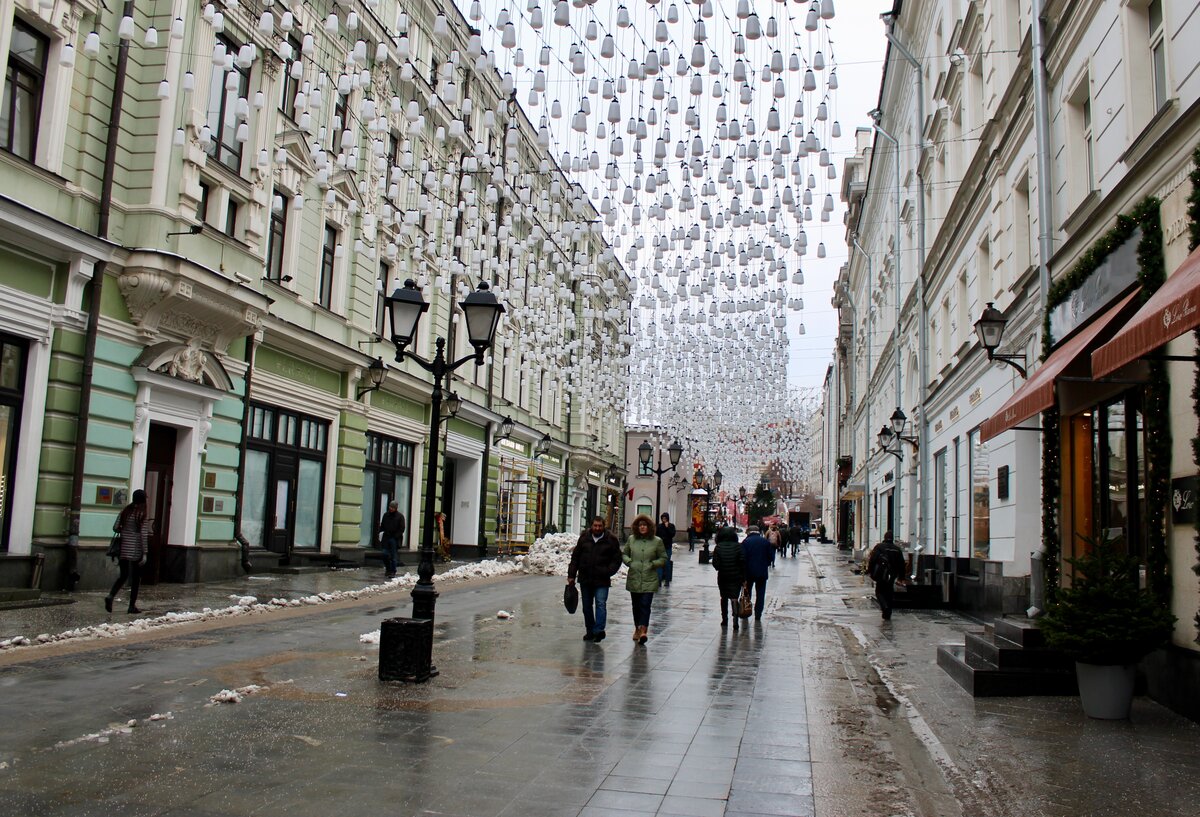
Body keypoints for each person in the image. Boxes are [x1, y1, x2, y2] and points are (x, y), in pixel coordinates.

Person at [567, 516, 623, 642]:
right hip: (585, 578)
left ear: (604, 527)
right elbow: (575, 557)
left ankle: (599, 630)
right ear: (591, 526)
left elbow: (617, 559)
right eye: (595, 526)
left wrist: (608, 571)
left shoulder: (611, 540)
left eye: (600, 526)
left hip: (602, 579)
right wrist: (571, 575)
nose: (597, 528)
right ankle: (590, 630)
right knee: (587, 606)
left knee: (600, 604)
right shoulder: (584, 538)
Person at [622, 513, 667, 644]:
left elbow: (663, 558)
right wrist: (630, 562)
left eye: (645, 525)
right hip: (634, 577)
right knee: (636, 605)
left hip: (649, 578)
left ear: (649, 527)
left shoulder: (657, 541)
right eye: (640, 525)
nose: (642, 527)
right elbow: (624, 554)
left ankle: (643, 630)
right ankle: (637, 627)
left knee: (645, 604)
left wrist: (653, 564)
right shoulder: (631, 539)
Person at [105, 489, 150, 614]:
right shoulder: (142, 514)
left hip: (123, 548)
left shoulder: (125, 511)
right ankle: (131, 606)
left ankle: (111, 595)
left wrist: (124, 530)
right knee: (136, 578)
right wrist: (145, 553)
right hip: (136, 549)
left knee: (123, 575)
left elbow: (115, 527)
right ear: (143, 500)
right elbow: (143, 534)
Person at [710, 526, 746, 629]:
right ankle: (735, 620)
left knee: (724, 597)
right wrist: (743, 577)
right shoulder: (738, 547)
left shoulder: (719, 547)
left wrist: (720, 567)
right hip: (736, 576)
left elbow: (715, 563)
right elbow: (742, 562)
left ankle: (724, 619)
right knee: (734, 597)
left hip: (723, 576)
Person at [868, 530, 908, 621]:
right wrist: (901, 577)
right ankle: (888, 613)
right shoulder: (897, 549)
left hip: (881, 574)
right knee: (889, 592)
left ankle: (884, 606)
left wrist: (870, 571)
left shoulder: (879, 547)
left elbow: (872, 560)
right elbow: (901, 564)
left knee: (879, 591)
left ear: (884, 538)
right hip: (892, 574)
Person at [741, 525, 774, 621]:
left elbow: (742, 558)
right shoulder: (765, 542)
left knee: (747, 593)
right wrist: (765, 564)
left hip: (748, 572)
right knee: (760, 593)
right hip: (762, 572)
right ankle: (758, 613)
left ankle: (746, 609)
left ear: (749, 532)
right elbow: (771, 557)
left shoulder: (746, 542)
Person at [377, 500, 406, 577]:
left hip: (394, 538)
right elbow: (382, 525)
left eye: (392, 507)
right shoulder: (386, 515)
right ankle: (388, 568)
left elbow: (402, 528)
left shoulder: (400, 516)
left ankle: (393, 571)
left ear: (396, 508)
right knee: (384, 554)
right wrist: (380, 532)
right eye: (390, 507)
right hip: (386, 537)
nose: (391, 508)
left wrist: (396, 536)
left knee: (393, 556)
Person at [656, 513, 677, 586]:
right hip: (660, 548)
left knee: (667, 564)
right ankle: (659, 580)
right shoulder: (659, 526)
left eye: (665, 518)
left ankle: (667, 580)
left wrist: (667, 527)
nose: (664, 519)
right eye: (663, 518)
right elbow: (656, 535)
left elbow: (672, 534)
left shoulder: (671, 526)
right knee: (659, 564)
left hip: (668, 547)